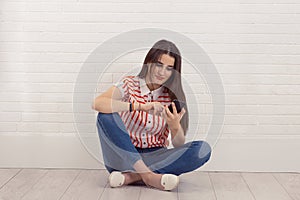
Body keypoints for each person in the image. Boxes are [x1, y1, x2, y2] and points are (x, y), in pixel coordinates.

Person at [92, 39, 211, 191]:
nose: (162, 72)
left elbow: (179, 144)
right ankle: (149, 177)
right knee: (105, 116)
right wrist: (139, 107)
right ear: (149, 62)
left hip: (156, 156)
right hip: (125, 156)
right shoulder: (130, 84)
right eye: (158, 65)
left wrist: (174, 127)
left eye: (169, 68)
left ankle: (132, 177)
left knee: (203, 149)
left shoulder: (171, 97)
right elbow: (97, 103)